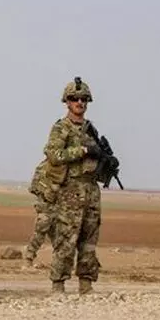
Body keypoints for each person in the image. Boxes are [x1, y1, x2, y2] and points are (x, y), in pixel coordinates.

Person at [42, 76, 104, 294]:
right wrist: (83, 150)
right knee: (66, 238)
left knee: (89, 239)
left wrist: (106, 161)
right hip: (70, 190)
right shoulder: (61, 128)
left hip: (91, 189)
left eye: (84, 99)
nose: (80, 103)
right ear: (67, 102)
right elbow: (54, 155)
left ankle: (86, 285)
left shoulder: (90, 129)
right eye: (75, 99)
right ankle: (58, 285)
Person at [23, 157, 56, 266]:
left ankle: (60, 263)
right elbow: (34, 187)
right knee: (40, 231)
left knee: (60, 236)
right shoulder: (43, 167)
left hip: (59, 206)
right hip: (45, 205)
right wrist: (45, 191)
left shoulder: (64, 167)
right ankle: (29, 258)